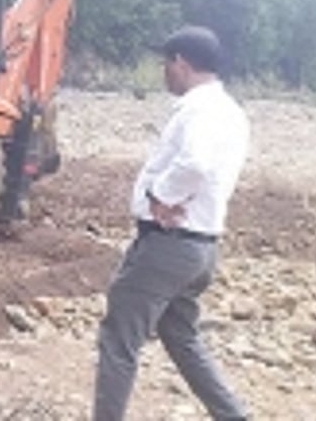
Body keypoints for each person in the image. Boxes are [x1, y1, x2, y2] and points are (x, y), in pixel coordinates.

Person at [93, 25, 250, 421]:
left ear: (181, 62)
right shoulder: (230, 111)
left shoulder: (199, 109)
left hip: (168, 244)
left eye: (165, 62)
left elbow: (195, 163)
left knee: (119, 339)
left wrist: (161, 195)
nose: (163, 71)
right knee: (181, 336)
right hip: (202, 247)